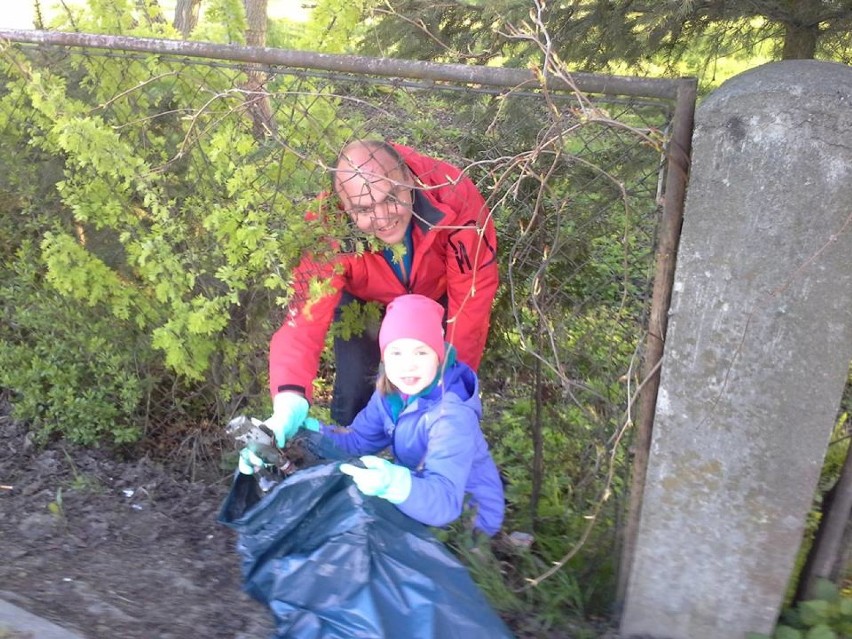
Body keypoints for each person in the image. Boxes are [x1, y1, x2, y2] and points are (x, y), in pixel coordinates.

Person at [264, 139, 499, 436]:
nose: (383, 217)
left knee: (440, 395)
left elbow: (471, 300)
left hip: (434, 297)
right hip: (365, 301)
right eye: (364, 208)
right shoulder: (326, 226)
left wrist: (451, 385)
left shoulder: (453, 194)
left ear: (408, 179)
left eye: (391, 197)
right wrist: (289, 398)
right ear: (344, 206)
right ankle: (353, 462)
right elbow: (303, 320)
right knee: (354, 392)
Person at [241, 294, 505, 536]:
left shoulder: (450, 415)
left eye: (421, 352)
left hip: (467, 523)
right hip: (419, 499)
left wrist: (393, 483)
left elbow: (446, 501)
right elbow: (356, 441)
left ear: (439, 355)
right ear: (384, 357)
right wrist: (301, 429)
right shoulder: (391, 395)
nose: (408, 364)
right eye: (396, 352)